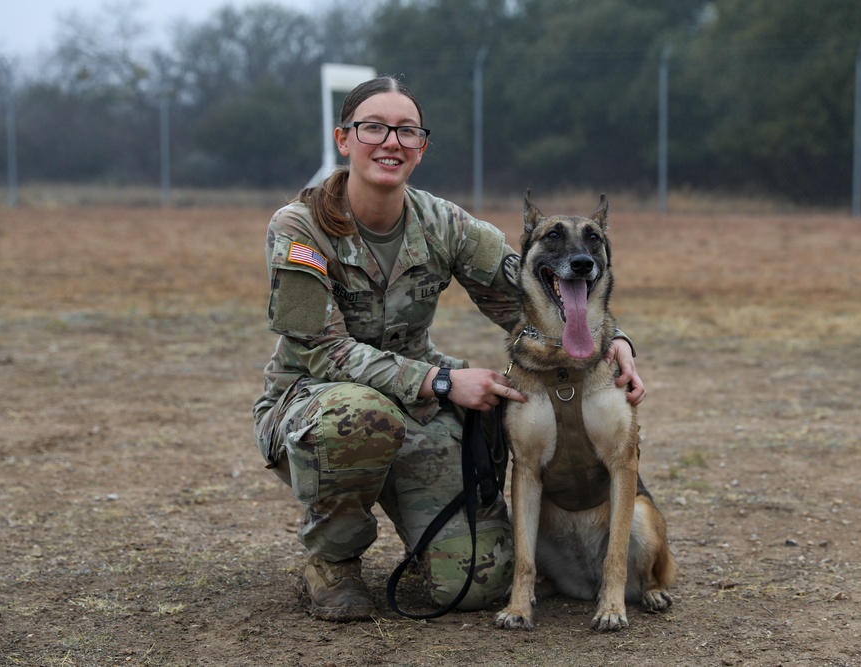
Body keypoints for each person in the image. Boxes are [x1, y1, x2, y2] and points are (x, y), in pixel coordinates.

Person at [252, 75, 645, 622]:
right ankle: (332, 562)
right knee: (359, 417)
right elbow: (319, 349)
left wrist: (614, 340)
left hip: (414, 409)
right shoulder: (300, 227)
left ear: (421, 148)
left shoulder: (445, 223)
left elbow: (530, 294)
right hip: (314, 403)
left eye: (405, 131)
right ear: (344, 139)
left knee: (479, 583)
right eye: (374, 128)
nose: (391, 141)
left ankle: (433, 542)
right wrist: (439, 382)